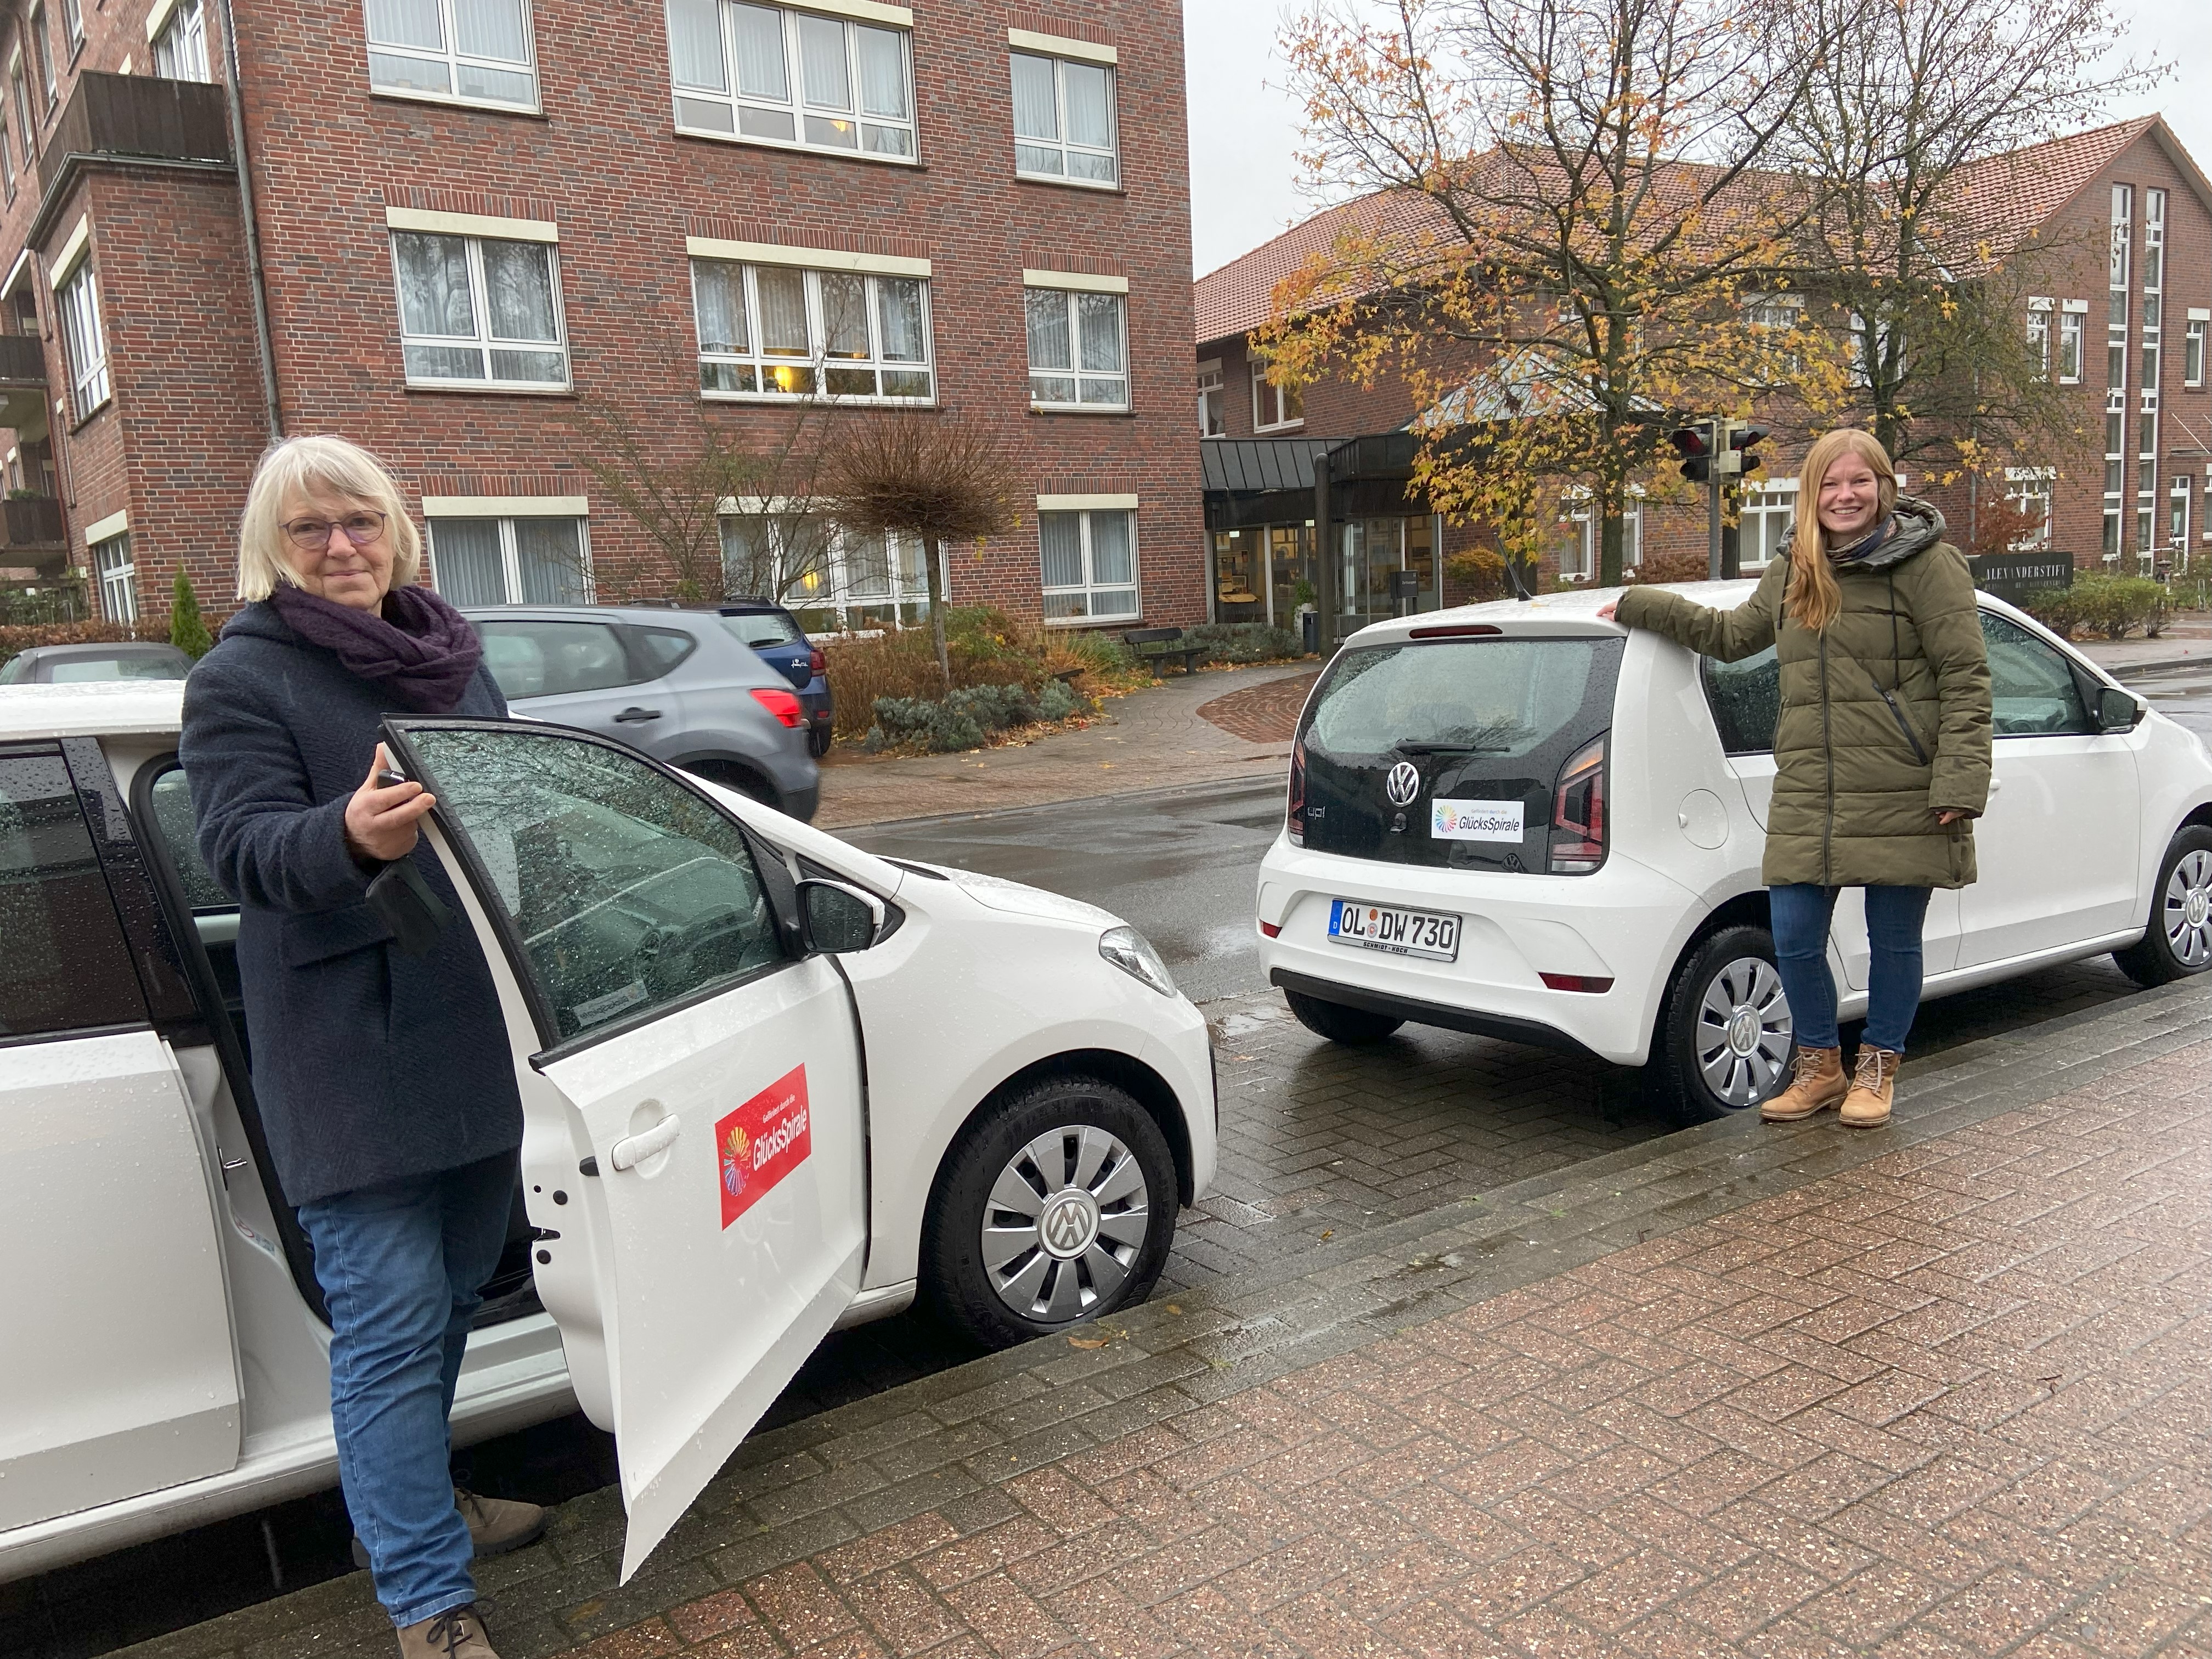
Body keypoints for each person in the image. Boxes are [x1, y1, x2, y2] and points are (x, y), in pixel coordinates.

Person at [182, 436, 540, 1659]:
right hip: (350, 1059)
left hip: (474, 1039)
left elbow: (511, 808)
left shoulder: (454, 658)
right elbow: (236, 850)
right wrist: (348, 835)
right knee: (390, 1328)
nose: (341, 548)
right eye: (310, 530)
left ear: (399, 532)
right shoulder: (242, 679)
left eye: (360, 523)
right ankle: (427, 1603)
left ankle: (411, 1511)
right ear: (270, 552)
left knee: (445, 1307)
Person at [1599, 427, 1992, 1126]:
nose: (1846, 496)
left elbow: (1966, 678)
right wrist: (1641, 605)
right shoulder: (1795, 568)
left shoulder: (1932, 565)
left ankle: (1878, 1069)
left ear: (1884, 487)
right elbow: (1731, 636)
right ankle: (1820, 1067)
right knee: (1795, 934)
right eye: (1831, 485)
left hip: (1904, 785)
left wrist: (1959, 782)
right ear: (1812, 494)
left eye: (1859, 482)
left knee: (1893, 940)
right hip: (1811, 787)